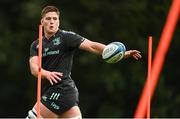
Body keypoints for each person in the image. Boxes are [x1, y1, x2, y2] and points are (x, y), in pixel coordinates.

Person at [26, 5, 142, 119]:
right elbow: (34, 69)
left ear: (58, 22)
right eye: (48, 19)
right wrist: (47, 74)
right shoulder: (36, 45)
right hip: (61, 93)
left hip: (61, 90)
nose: (52, 22)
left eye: (54, 19)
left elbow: (91, 46)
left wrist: (119, 53)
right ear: (42, 21)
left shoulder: (66, 37)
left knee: (32, 117)